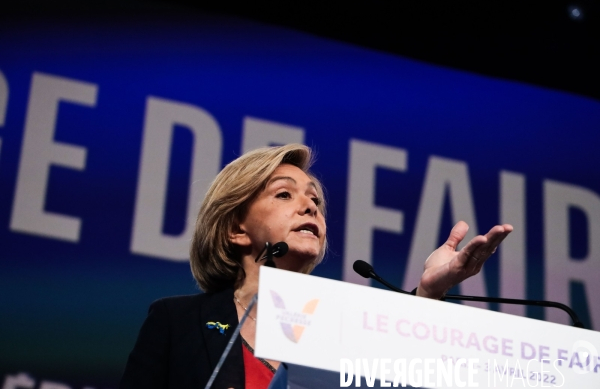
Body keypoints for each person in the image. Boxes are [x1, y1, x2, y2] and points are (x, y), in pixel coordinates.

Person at [120, 144, 512, 389]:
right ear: (236, 229)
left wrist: (428, 294)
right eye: (285, 194)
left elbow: (394, 374)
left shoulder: (340, 333)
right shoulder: (176, 321)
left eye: (315, 200)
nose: (310, 206)